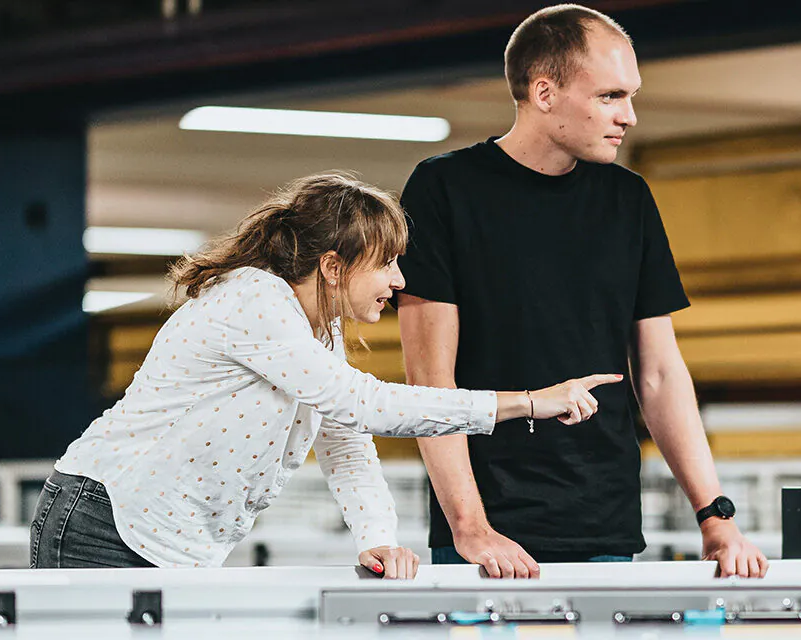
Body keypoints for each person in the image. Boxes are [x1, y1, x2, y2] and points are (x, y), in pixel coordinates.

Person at [32, 172, 620, 576]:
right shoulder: (253, 300)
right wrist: (527, 403)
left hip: (174, 544)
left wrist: (378, 542)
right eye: (386, 262)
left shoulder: (320, 329)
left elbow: (348, 444)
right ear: (332, 265)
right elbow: (366, 404)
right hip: (105, 523)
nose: (398, 280)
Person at [396, 4, 768, 578]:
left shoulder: (628, 201)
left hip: (607, 525)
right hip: (487, 536)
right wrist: (471, 528)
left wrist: (714, 518)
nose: (630, 116)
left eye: (632, 96)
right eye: (610, 96)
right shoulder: (444, 189)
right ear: (544, 92)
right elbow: (430, 381)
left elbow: (661, 373)